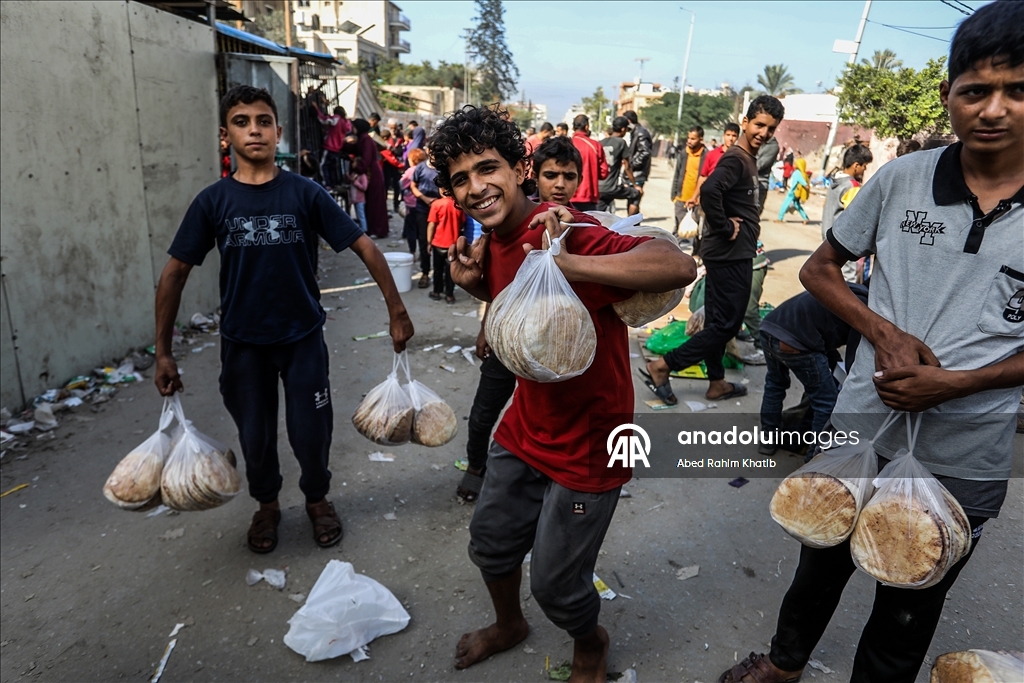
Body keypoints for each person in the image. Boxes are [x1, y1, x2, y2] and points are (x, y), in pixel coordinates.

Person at [719, 5, 1024, 680]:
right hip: (862, 422)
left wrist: (963, 382)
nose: (995, 109)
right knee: (819, 557)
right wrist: (882, 334)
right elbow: (819, 269)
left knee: (910, 596)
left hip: (967, 450)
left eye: (1019, 90)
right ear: (948, 95)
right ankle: (785, 660)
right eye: (976, 89)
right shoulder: (900, 179)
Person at [433, 104, 695, 681]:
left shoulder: (565, 230)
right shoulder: (494, 240)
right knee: (491, 545)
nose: (476, 187)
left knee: (556, 581)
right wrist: (479, 294)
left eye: (488, 167)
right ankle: (508, 625)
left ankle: (590, 643)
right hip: (525, 429)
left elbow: (675, 265)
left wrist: (571, 262)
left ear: (520, 167)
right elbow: (521, 316)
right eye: (460, 179)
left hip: (590, 448)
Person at [153, 85, 414, 554]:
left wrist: (397, 309)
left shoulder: (305, 193)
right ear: (225, 134)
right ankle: (267, 505)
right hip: (243, 343)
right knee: (255, 434)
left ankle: (317, 500)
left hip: (302, 340)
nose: (254, 129)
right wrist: (164, 353)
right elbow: (173, 274)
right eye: (241, 121)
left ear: (277, 131)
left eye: (263, 121)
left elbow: (365, 246)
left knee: (311, 432)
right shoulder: (213, 202)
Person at [457, 135, 583, 504]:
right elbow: (498, 286)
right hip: (508, 339)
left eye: (569, 176)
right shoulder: (503, 227)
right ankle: (477, 467)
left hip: (554, 343)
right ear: (531, 176)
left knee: (548, 415)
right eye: (550, 175)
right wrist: (486, 326)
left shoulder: (576, 227)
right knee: (484, 412)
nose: (559, 185)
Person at [642, 95, 785, 406]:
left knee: (719, 321)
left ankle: (717, 382)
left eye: (771, 128)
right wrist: (723, 226)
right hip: (730, 254)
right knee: (727, 325)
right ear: (745, 123)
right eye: (759, 124)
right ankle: (663, 366)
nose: (763, 132)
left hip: (732, 252)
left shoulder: (747, 159)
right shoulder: (737, 158)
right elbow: (709, 190)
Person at [757, 283, 869, 455]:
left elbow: (823, 325)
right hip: (797, 342)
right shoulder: (864, 307)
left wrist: (834, 365)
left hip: (769, 328)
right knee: (826, 402)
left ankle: (768, 440)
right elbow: (854, 361)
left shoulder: (846, 289)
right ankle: (813, 458)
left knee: (775, 383)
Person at [822, 144, 872, 282]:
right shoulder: (852, 186)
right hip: (843, 243)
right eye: (864, 166)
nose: (864, 169)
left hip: (827, 238)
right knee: (847, 280)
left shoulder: (834, 182)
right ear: (856, 165)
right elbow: (855, 219)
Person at [342, 119, 389, 238]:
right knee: (372, 203)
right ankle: (372, 229)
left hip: (372, 174)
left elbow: (366, 159)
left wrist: (357, 170)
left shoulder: (365, 139)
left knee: (374, 203)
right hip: (370, 173)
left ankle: (376, 230)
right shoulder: (363, 139)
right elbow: (355, 149)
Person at [597, 116, 642, 215]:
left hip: (598, 188)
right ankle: (631, 224)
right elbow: (627, 167)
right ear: (623, 129)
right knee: (636, 194)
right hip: (612, 188)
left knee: (598, 213)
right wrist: (635, 185)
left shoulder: (600, 143)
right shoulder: (621, 143)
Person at [410, 152, 441, 287]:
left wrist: (440, 203)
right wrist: (425, 199)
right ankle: (425, 272)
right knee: (423, 241)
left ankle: (440, 274)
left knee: (440, 242)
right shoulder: (421, 167)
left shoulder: (442, 168)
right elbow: (413, 186)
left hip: (440, 210)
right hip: (422, 209)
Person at [669, 125, 707, 236]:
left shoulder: (706, 155)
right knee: (679, 230)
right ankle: (671, 252)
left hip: (698, 200)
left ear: (701, 139)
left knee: (696, 230)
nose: (689, 141)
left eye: (693, 139)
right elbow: (677, 174)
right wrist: (674, 195)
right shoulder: (683, 154)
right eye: (688, 138)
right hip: (682, 198)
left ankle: (696, 253)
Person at [426, 195, 464, 304]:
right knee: (450, 271)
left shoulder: (436, 204)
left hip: (438, 243)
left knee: (437, 269)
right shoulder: (458, 204)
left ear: (441, 190)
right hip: (452, 244)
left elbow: (431, 225)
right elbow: (462, 222)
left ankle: (436, 292)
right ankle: (449, 295)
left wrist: (429, 242)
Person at [691, 122, 740, 206]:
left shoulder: (739, 157)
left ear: (737, 137)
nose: (730, 138)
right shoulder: (712, 154)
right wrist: (694, 197)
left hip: (728, 202)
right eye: (728, 135)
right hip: (710, 198)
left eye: (734, 136)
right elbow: (703, 177)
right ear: (723, 136)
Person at [569, 114, 610, 211]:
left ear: (573, 127)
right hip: (589, 196)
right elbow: (604, 172)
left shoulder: (567, 144)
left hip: (568, 195)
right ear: (586, 127)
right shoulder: (595, 145)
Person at [315, 105, 350, 191]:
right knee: (332, 167)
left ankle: (325, 183)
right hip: (337, 148)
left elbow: (324, 120)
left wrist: (317, 109)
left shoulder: (336, 118)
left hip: (329, 146)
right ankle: (333, 184)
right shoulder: (346, 122)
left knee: (323, 165)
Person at [623, 110, 653, 205]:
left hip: (637, 173)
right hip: (635, 172)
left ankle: (633, 219)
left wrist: (631, 166)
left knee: (634, 200)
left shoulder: (641, 133)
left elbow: (645, 152)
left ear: (629, 121)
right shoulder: (635, 132)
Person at [400, 148, 425, 255]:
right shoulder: (424, 169)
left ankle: (412, 252)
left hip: (411, 205)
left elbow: (401, 184)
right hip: (422, 205)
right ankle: (422, 253)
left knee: (411, 230)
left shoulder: (410, 171)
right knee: (421, 231)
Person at [380, 129, 406, 214]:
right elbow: (392, 160)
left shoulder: (382, 145)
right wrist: (403, 166)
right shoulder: (383, 147)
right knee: (385, 188)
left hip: (384, 169)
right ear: (385, 138)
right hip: (383, 169)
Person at [777, 157, 809, 223]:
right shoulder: (803, 174)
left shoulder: (797, 173)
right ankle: (805, 218)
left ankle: (780, 218)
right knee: (797, 205)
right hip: (796, 192)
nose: (794, 165)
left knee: (785, 204)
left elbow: (803, 183)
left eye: (795, 164)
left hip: (792, 192)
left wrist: (805, 186)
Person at [756, 134, 780, 215]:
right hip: (746, 183)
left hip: (759, 185)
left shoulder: (772, 146)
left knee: (752, 218)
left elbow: (758, 165)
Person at [348, 156, 369, 233]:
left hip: (360, 199)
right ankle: (361, 229)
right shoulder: (354, 174)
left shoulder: (362, 176)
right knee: (358, 215)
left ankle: (364, 230)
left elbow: (364, 187)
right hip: (354, 199)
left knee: (361, 216)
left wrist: (355, 182)